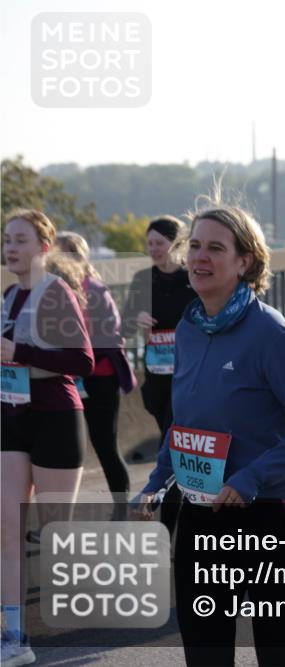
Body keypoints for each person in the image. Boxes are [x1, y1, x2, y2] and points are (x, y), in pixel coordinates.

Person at [134, 203, 285, 666]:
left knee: (283, 656)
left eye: (216, 248)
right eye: (195, 247)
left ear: (244, 262)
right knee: (205, 654)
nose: (200, 258)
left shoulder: (270, 332)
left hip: (274, 516)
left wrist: (250, 478)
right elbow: (184, 426)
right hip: (203, 513)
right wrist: (157, 480)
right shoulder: (188, 326)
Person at [2, 210, 94, 667]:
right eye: (6, 239)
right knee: (6, 529)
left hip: (56, 417)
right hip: (11, 419)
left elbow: (82, 361)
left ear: (43, 246)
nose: (10, 247)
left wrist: (18, 351)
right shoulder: (7, 296)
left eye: (20, 239)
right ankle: (14, 637)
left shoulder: (55, 293)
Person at [122, 216, 197, 535]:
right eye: (149, 243)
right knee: (175, 450)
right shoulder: (142, 280)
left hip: (187, 377)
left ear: (176, 244)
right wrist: (135, 318)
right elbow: (122, 327)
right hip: (156, 379)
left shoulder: (191, 278)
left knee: (174, 448)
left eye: (159, 243)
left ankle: (169, 525)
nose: (153, 249)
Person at [55, 232, 137, 520]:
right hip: (66, 380)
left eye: (62, 253)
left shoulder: (96, 290)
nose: (55, 258)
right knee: (62, 449)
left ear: (78, 256)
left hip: (99, 378)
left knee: (104, 445)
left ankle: (121, 508)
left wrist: (80, 357)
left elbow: (111, 337)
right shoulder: (53, 288)